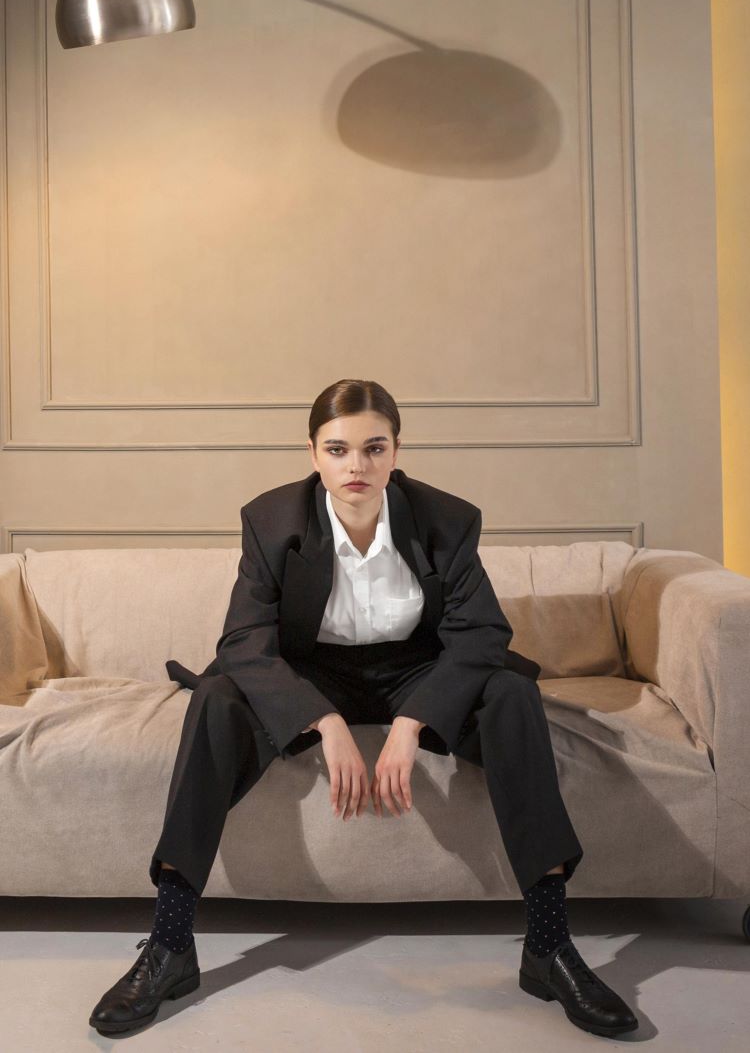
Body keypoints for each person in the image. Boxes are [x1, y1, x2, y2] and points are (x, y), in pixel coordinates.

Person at [89, 378, 638, 1038]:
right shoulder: (271, 520)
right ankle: (171, 944)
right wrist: (323, 720)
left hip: (417, 668)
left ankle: (550, 946)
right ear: (314, 453)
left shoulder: (448, 519)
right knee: (214, 698)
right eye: (339, 449)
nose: (357, 466)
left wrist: (412, 722)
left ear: (397, 451)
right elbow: (244, 640)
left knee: (513, 693)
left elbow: (482, 633)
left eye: (374, 448)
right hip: (312, 671)